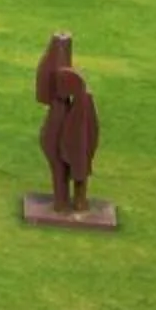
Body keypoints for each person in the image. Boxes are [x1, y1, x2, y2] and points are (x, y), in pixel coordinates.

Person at [34, 31, 100, 213]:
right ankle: (65, 201)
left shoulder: (81, 101)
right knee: (65, 163)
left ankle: (70, 201)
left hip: (68, 126)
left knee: (74, 161)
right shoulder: (76, 98)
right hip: (62, 125)